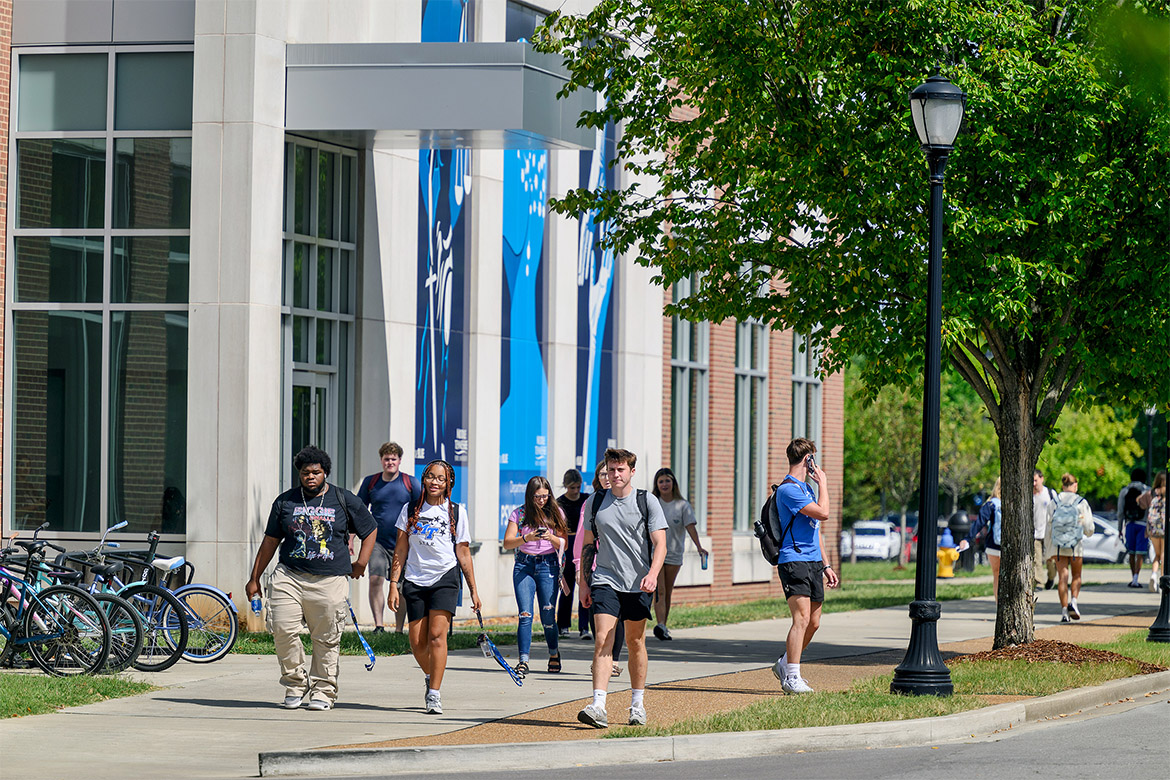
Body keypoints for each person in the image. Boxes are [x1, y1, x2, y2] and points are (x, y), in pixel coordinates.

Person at [246, 446, 377, 711]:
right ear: (299, 474)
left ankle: (323, 691)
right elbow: (270, 540)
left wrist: (361, 562)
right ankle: (295, 683)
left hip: (330, 580)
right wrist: (254, 578)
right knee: (282, 629)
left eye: (316, 472)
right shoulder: (286, 502)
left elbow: (370, 528)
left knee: (326, 638)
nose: (311, 477)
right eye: (305, 473)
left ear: (325, 473)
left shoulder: (343, 499)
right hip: (289, 576)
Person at [576, 448, 667, 728]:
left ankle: (637, 703)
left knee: (635, 641)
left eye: (620, 470)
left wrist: (652, 574)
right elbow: (588, 544)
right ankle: (598, 704)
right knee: (603, 637)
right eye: (611, 470)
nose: (615, 475)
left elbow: (661, 544)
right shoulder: (595, 502)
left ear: (631, 472)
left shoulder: (646, 501)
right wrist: (583, 582)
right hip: (605, 578)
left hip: (638, 581)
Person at [388, 459, 481, 715]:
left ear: (449, 482)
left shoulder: (456, 512)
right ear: (423, 479)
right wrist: (394, 584)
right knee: (417, 642)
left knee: (437, 637)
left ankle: (434, 693)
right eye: (430, 477)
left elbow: (463, 553)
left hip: (445, 578)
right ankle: (431, 675)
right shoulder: (409, 510)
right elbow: (401, 549)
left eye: (441, 478)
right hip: (415, 579)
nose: (435, 482)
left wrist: (473, 589)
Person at [769, 438, 840, 695]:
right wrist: (823, 483)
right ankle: (792, 677)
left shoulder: (806, 490)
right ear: (807, 459)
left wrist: (826, 564)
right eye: (813, 458)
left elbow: (816, 530)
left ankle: (785, 664)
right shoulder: (789, 490)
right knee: (800, 619)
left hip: (812, 561)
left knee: (814, 621)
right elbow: (824, 513)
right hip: (793, 560)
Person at [502, 476, 568, 676]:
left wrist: (551, 537)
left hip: (548, 565)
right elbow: (507, 542)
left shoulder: (556, 512)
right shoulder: (519, 514)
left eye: (545, 496)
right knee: (525, 615)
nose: (541, 500)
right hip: (524, 565)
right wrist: (526, 538)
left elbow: (564, 542)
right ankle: (523, 660)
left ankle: (554, 653)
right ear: (530, 496)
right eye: (537, 497)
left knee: (548, 614)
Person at [357, 442, 422, 633]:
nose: (390, 462)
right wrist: (352, 537)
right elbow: (359, 511)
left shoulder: (410, 483)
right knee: (375, 579)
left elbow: (420, 510)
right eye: (386, 459)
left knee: (401, 586)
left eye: (393, 459)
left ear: (400, 461)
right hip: (377, 541)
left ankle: (399, 629)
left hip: (404, 543)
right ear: (381, 460)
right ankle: (379, 625)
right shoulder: (371, 482)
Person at [650, 467, 707, 640]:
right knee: (659, 590)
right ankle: (659, 624)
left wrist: (699, 547)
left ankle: (663, 626)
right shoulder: (653, 503)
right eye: (661, 481)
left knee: (667, 591)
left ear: (673, 483)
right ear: (657, 485)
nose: (664, 484)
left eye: (668, 480)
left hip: (675, 554)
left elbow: (691, 527)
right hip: (655, 553)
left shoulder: (682, 505)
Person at [1045, 472, 1095, 622]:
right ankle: (1074, 601)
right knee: (1077, 575)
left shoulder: (1054, 502)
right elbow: (1089, 527)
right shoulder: (1081, 502)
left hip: (1058, 546)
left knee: (1062, 577)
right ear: (1075, 485)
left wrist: (1048, 550)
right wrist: (1086, 532)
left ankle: (1064, 611)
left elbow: (1048, 526)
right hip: (1076, 545)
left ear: (1062, 485)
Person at [556, 469, 590, 639]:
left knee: (585, 586)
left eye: (578, 487)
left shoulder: (586, 500)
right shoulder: (559, 503)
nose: (576, 491)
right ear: (566, 486)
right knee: (567, 588)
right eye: (572, 488)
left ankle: (585, 627)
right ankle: (563, 625)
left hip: (583, 547)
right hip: (567, 548)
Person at [959, 478, 1002, 599]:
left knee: (997, 575)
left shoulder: (991, 504)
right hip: (1011, 546)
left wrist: (967, 538)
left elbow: (979, 523)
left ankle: (999, 607)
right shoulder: (1016, 503)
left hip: (993, 544)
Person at [1118, 468, 1150, 588]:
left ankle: (1133, 578)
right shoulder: (1147, 490)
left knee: (1131, 552)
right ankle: (1137, 577)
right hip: (1143, 524)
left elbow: (1120, 512)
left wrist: (1119, 528)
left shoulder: (1124, 491)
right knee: (1140, 552)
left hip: (1129, 523)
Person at [1139, 472, 1166, 592]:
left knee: (1157, 555)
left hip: (1154, 529)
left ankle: (1153, 575)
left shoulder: (1152, 493)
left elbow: (1139, 501)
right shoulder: (1167, 492)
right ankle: (1163, 580)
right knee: (1164, 554)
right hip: (1165, 528)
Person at [1032, 469, 1058, 590]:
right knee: (1037, 560)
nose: (1034, 483)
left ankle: (1051, 578)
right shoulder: (1029, 496)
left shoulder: (1050, 494)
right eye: (1032, 481)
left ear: (1042, 479)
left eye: (1036, 480)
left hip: (1049, 533)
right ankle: (1039, 582)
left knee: (1050, 560)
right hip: (1035, 534)